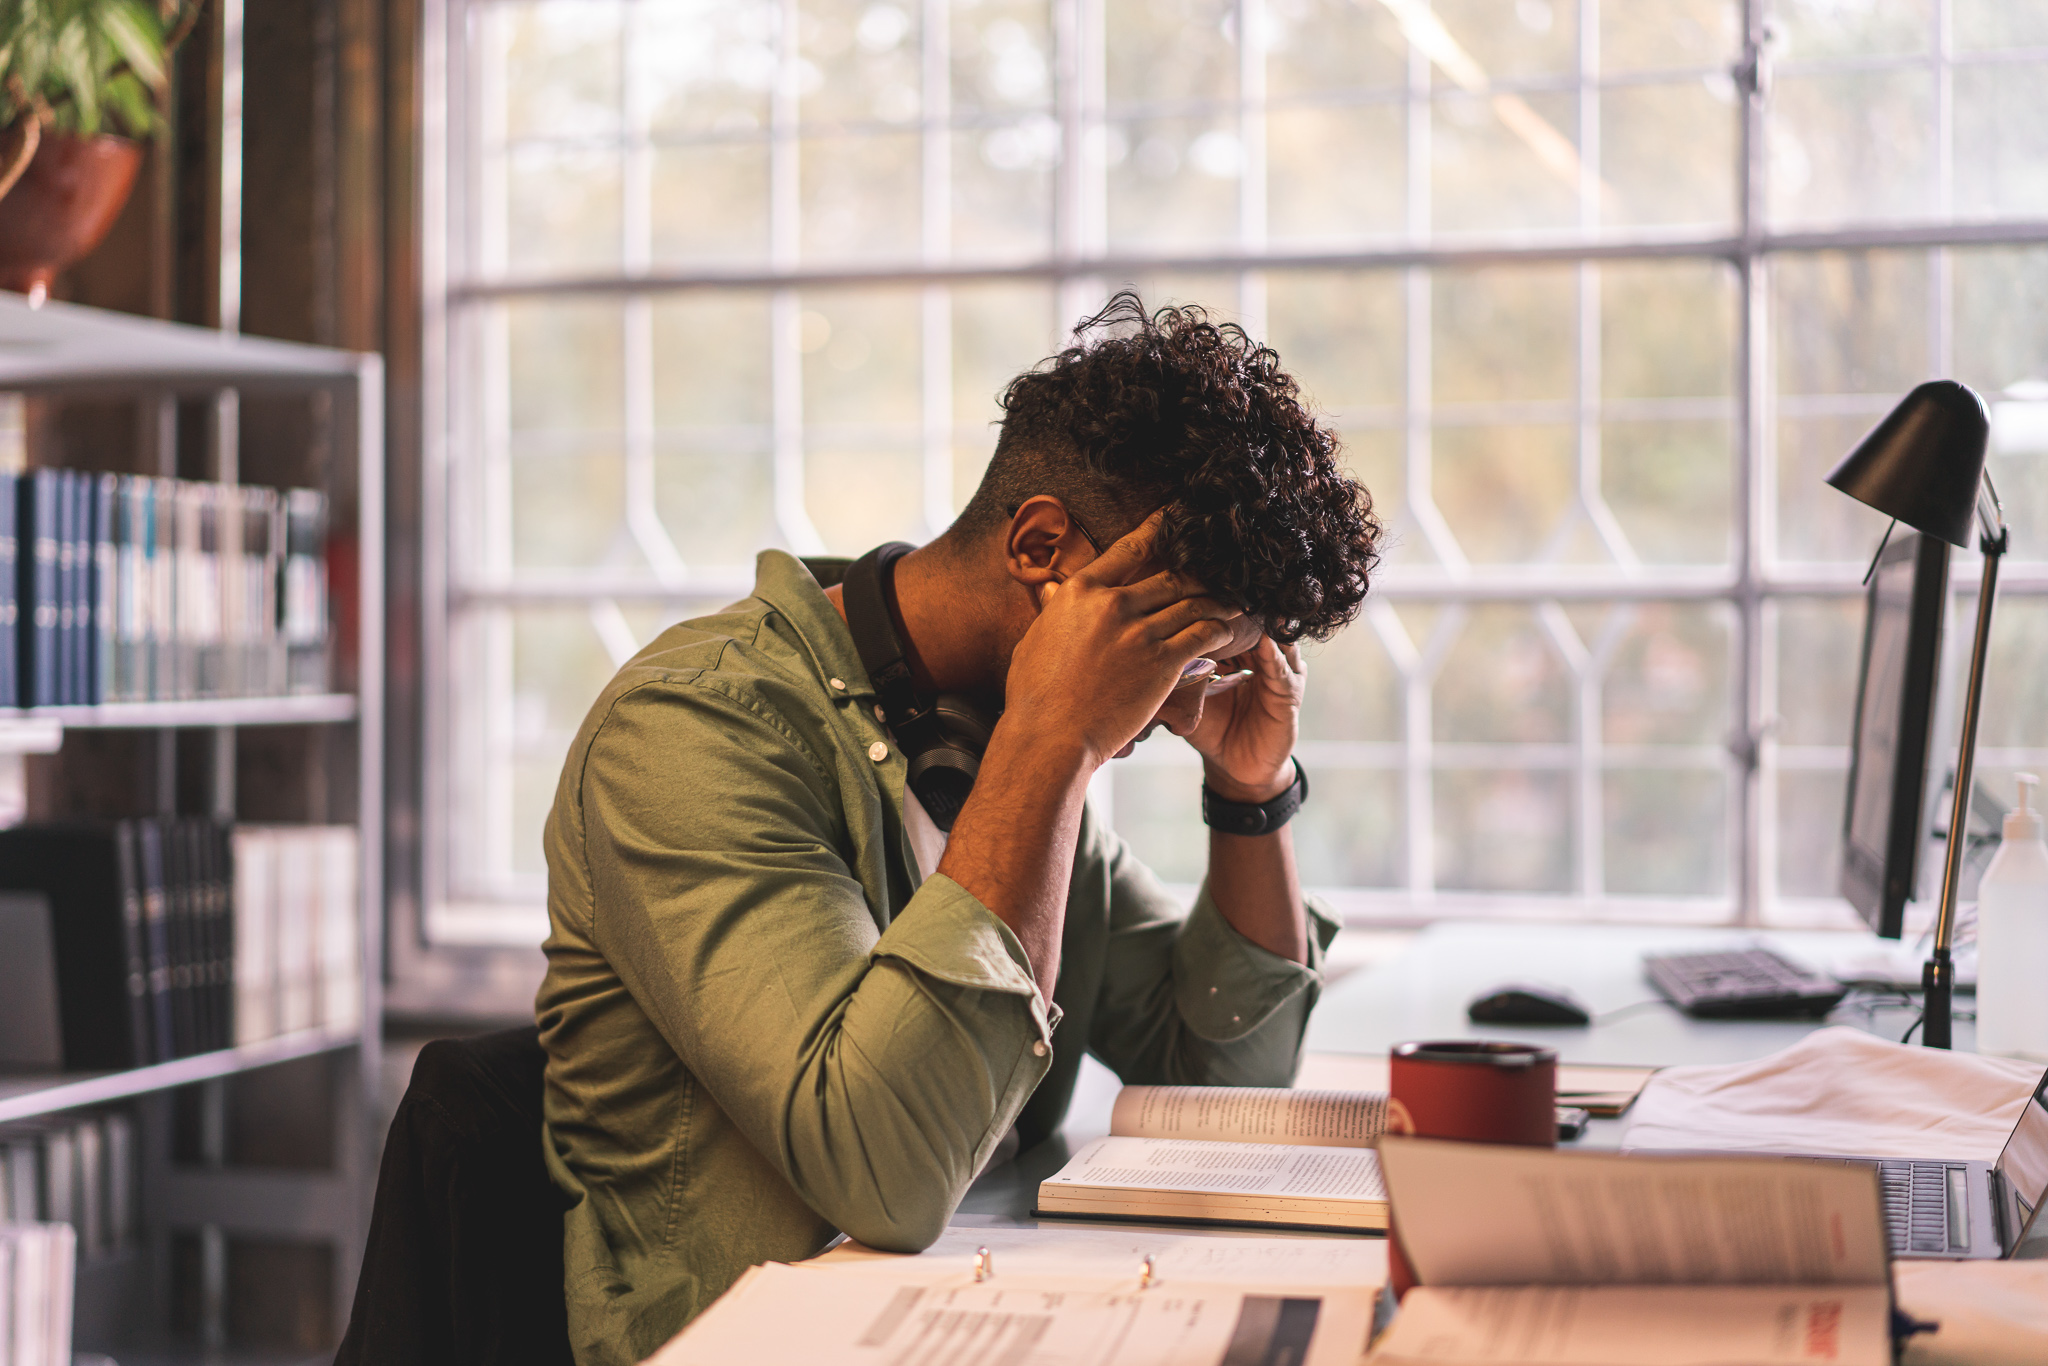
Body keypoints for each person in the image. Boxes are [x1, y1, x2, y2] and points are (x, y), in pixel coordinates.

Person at [536, 292, 1381, 1363]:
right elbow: (881, 1168)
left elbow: (1219, 1086)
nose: (1173, 700)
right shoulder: (695, 728)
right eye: (1173, 645)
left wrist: (1251, 794)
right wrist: (1052, 744)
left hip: (994, 1305)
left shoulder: (992, 744)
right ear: (1040, 546)